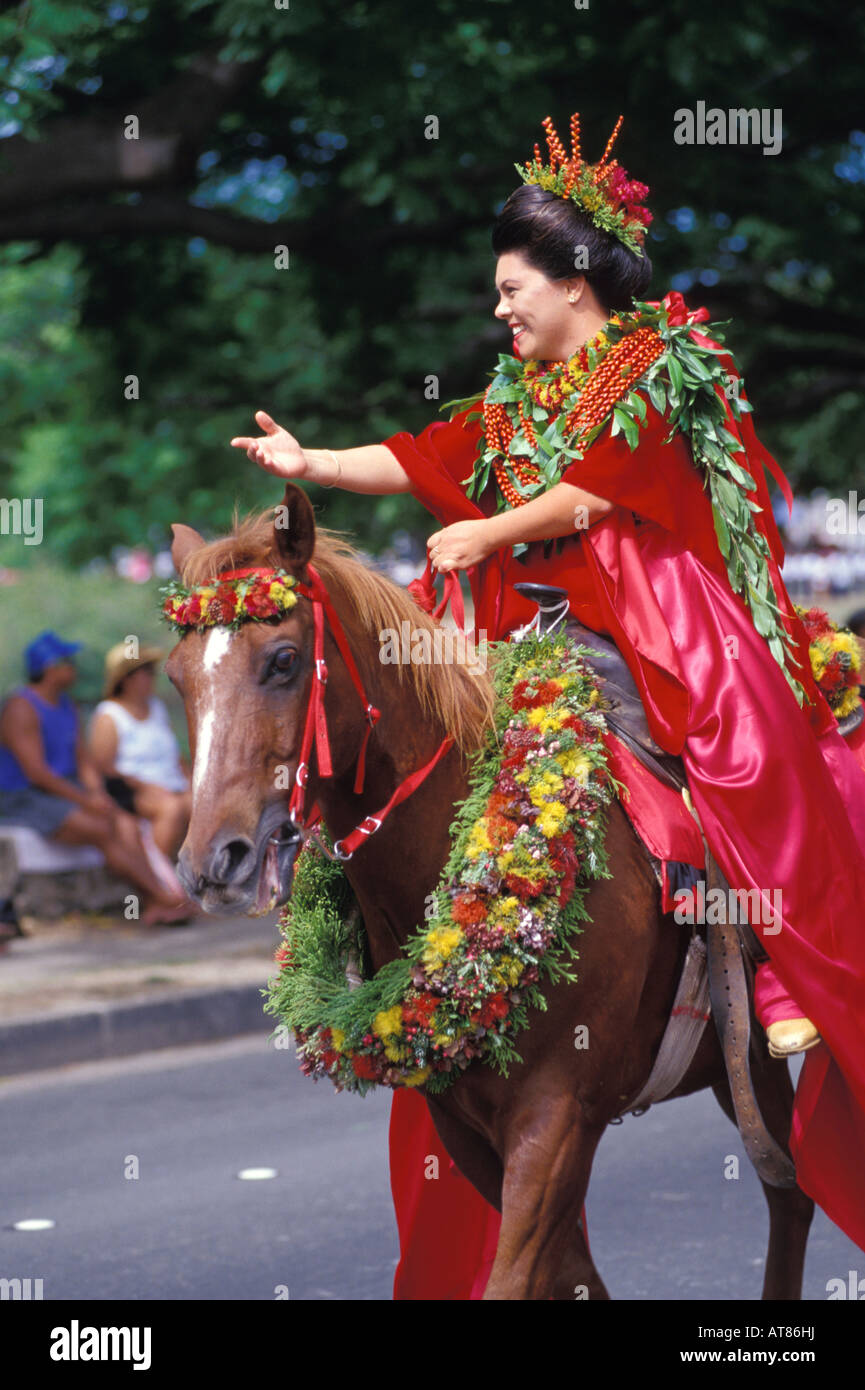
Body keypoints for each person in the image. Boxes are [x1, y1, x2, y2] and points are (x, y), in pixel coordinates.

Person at [231, 114, 865, 1264]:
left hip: (652, 634)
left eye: (512, 288)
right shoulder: (511, 398)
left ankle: (765, 968)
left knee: (734, 768)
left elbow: (594, 493)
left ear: (575, 279)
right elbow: (424, 451)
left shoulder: (662, 364)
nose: (500, 309)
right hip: (527, 649)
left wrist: (488, 531)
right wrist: (314, 463)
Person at [0, 631, 194, 926]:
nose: (74, 667)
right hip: (25, 797)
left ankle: (156, 899)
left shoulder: (67, 704)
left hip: (61, 790)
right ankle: (161, 896)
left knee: (127, 826)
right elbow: (36, 773)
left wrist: (95, 794)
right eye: (68, 661)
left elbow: (84, 761)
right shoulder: (21, 708)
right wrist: (84, 800)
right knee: (102, 829)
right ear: (50, 667)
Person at [88, 643, 191, 858]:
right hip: (130, 792)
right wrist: (146, 787)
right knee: (171, 810)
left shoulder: (156, 707)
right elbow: (104, 767)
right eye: (146, 672)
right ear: (126, 679)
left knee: (200, 805)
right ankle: (157, 877)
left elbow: (173, 753)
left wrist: (192, 781)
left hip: (171, 785)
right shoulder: (109, 715)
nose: (152, 677)